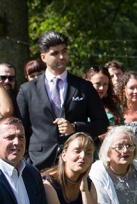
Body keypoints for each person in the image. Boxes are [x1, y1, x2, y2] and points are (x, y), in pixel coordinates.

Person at [16, 31, 109, 170]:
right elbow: (20, 129)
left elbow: (102, 123)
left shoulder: (84, 87)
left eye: (64, 51)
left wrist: (75, 128)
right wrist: (27, 162)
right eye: (55, 53)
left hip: (76, 163)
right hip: (39, 164)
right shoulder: (27, 90)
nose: (61, 56)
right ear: (43, 57)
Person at [85, 66, 123, 132]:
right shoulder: (78, 105)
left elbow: (123, 129)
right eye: (98, 84)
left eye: (105, 84)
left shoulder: (114, 106)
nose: (102, 88)